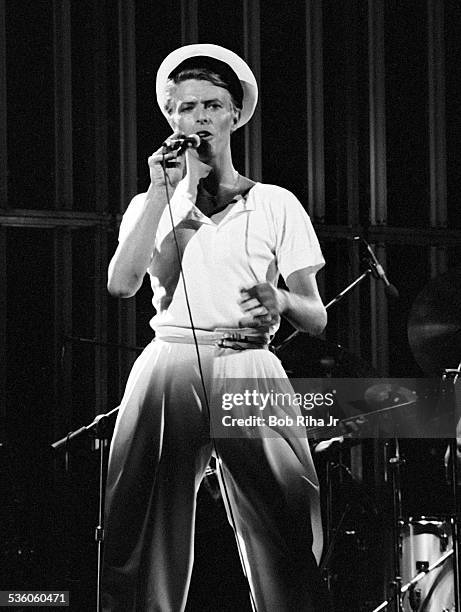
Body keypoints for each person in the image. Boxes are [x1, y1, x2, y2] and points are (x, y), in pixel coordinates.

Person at [102, 43, 330, 612]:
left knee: (287, 525)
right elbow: (122, 284)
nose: (197, 118)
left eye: (210, 106)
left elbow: (316, 314)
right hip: (172, 358)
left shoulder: (276, 204)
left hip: (247, 362)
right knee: (141, 527)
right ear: (171, 118)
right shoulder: (149, 204)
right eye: (184, 108)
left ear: (234, 115)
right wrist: (164, 191)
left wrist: (278, 298)